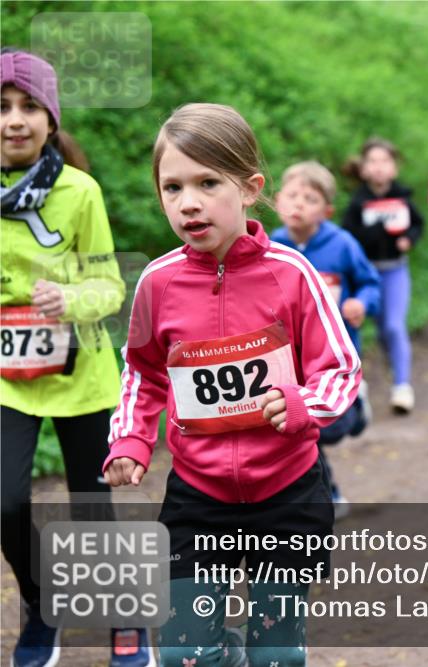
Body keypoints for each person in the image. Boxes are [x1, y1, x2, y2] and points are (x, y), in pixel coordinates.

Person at [103, 103, 361, 667]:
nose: (188, 201)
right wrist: (129, 440)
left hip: (287, 494)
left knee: (279, 657)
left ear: (249, 188)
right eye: (172, 187)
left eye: (207, 182)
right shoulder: (158, 283)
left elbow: (340, 368)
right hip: (199, 498)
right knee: (183, 655)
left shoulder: (293, 274)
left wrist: (300, 405)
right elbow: (143, 373)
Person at [1, 49, 154, 667]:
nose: (14, 120)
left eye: (28, 106)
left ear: (50, 119)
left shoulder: (78, 192)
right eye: (2, 107)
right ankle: (43, 606)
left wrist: (68, 296)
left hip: (81, 368)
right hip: (9, 377)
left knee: (93, 508)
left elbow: (111, 288)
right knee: (6, 502)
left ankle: (126, 619)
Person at [270, 160, 380, 518]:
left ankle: (357, 406)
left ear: (326, 210)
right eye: (292, 196)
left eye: (310, 198)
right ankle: (329, 491)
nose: (299, 204)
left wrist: (360, 303)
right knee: (304, 430)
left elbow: (370, 283)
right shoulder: (271, 247)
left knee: (334, 431)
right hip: (292, 362)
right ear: (277, 201)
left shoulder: (342, 245)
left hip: (337, 359)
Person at [341, 138, 424, 414]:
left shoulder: (403, 198)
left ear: (394, 168)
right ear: (363, 169)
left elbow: (418, 224)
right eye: (372, 162)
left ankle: (402, 386)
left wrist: (408, 240)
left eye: (384, 161)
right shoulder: (357, 204)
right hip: (364, 275)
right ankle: (357, 390)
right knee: (357, 328)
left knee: (393, 327)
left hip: (394, 270)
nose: (378, 167)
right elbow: (347, 237)